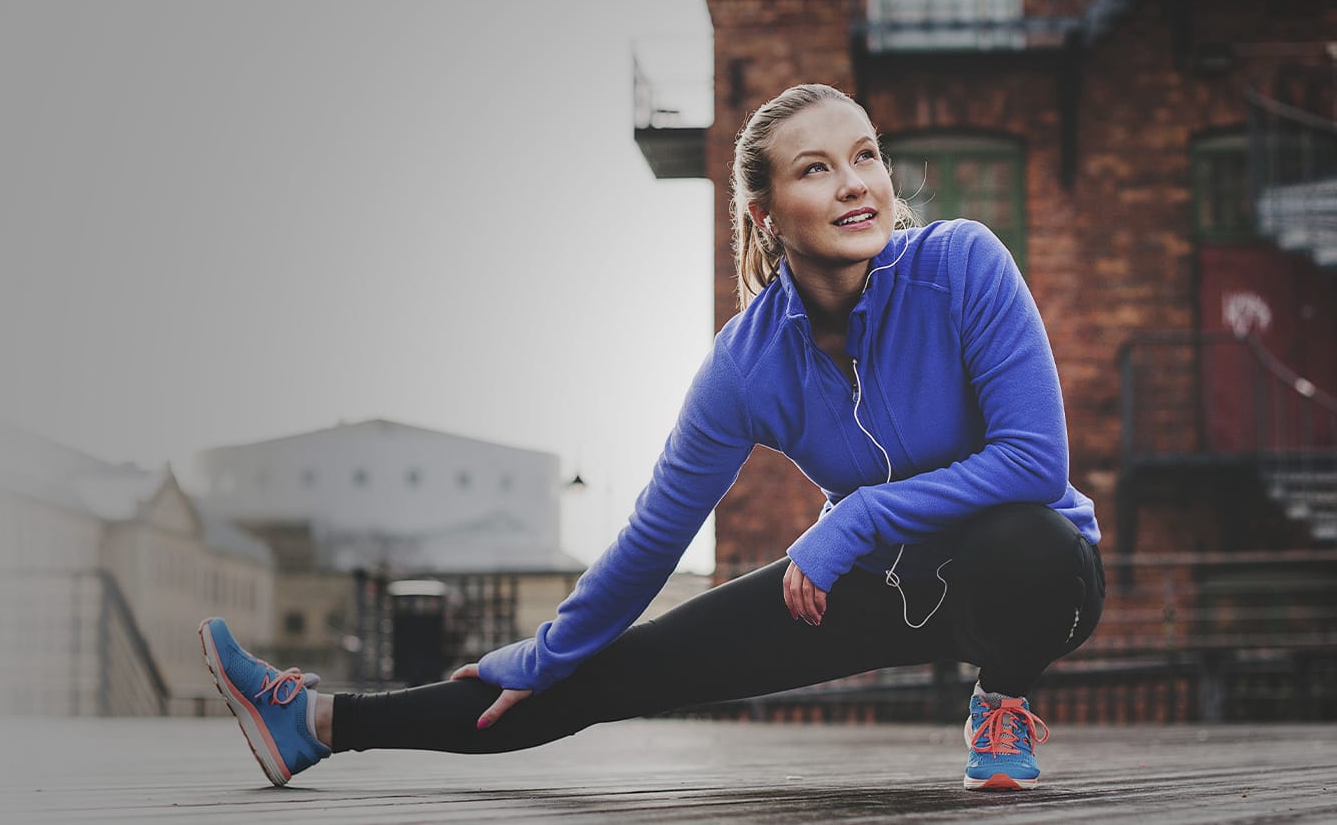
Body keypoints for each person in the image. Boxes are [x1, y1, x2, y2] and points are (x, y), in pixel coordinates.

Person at [198, 82, 1104, 792]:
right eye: (817, 168)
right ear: (765, 212)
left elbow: (1034, 462)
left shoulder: (962, 264)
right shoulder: (748, 365)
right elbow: (651, 538)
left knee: (1026, 538)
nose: (858, 183)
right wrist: (547, 653)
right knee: (604, 675)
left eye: (864, 155)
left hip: (1035, 585)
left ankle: (1003, 699)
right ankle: (315, 724)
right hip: (879, 584)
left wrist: (856, 518)